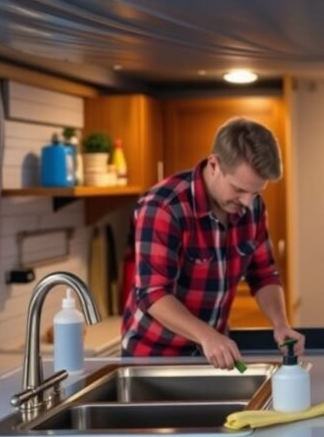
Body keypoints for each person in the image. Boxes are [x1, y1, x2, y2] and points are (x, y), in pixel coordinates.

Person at [121, 116, 304, 367]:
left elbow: (264, 274)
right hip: (154, 358)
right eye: (239, 189)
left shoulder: (253, 207)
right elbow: (153, 293)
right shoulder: (163, 206)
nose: (248, 202)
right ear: (214, 164)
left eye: (256, 192)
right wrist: (207, 335)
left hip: (211, 356)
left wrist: (280, 324)